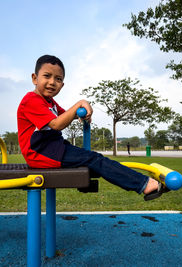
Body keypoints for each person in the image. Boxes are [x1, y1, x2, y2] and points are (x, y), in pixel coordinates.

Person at [17, 55, 167, 200]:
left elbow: (69, 114)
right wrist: (80, 103)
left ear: (62, 85)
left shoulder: (49, 102)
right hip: (40, 153)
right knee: (95, 159)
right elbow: (57, 124)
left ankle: (142, 183)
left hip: (53, 149)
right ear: (35, 78)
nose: (52, 82)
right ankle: (144, 184)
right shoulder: (31, 100)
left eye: (58, 79)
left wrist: (82, 113)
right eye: (47, 76)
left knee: (95, 160)